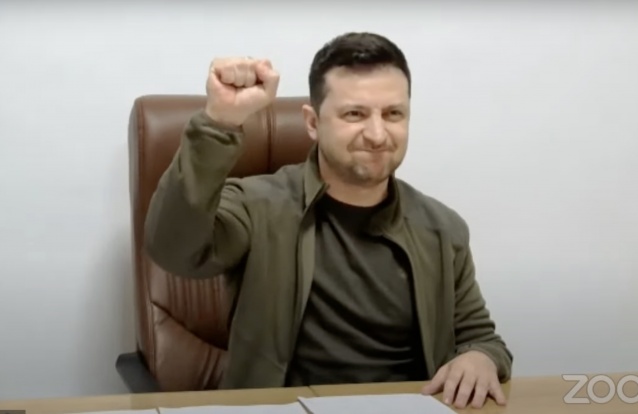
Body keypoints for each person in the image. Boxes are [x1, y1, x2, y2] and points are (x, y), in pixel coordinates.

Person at [144, 32, 513, 409]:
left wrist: (480, 358)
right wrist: (218, 123)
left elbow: (481, 338)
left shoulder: (441, 228)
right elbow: (174, 250)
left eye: (393, 114)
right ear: (312, 122)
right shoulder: (257, 205)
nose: (377, 134)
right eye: (355, 114)